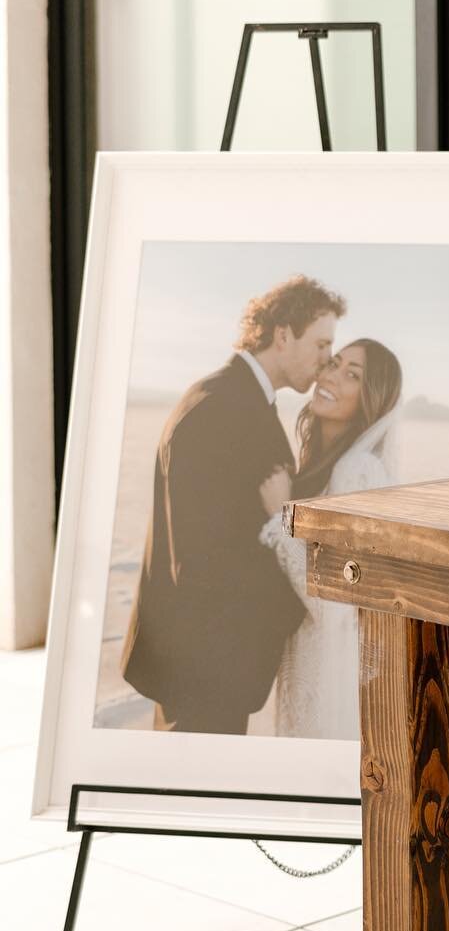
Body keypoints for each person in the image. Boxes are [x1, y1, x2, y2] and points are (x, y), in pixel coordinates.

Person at [121, 275, 345, 735]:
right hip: (203, 672)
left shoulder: (239, 398)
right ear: (283, 334)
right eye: (322, 344)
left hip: (205, 666)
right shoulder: (220, 406)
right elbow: (201, 561)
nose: (327, 361)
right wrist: (299, 604)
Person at [261, 340, 404, 740]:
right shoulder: (321, 464)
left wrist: (279, 518)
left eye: (352, 375)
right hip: (306, 663)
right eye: (334, 364)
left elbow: (338, 604)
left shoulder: (358, 472)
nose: (331, 376)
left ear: (370, 398)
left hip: (329, 676)